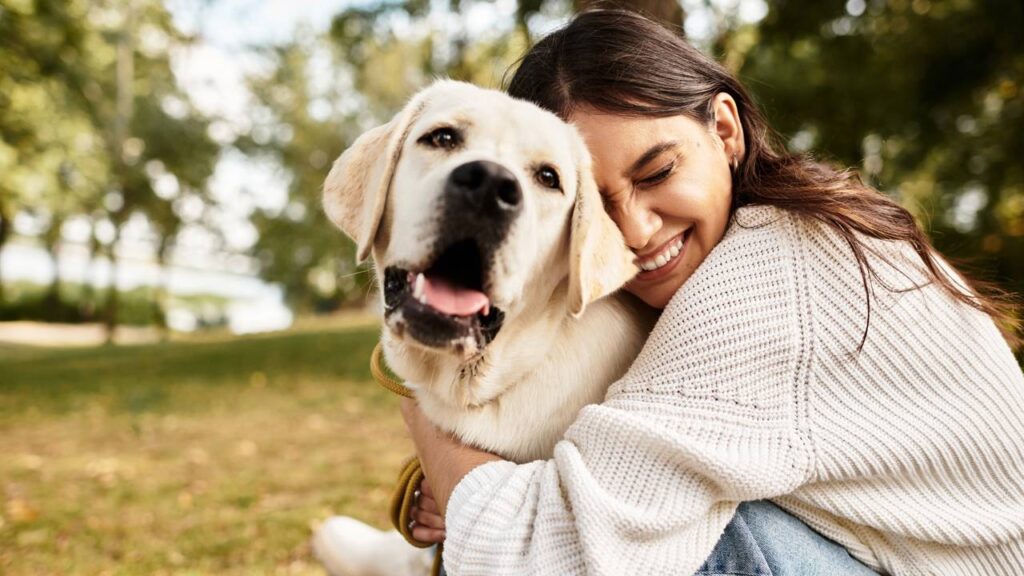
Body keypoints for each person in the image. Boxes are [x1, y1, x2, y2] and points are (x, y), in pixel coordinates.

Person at [396, 8, 1024, 576]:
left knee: (687, 544)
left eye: (658, 172)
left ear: (725, 129)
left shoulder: (758, 287)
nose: (637, 231)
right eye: (597, 209)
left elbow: (547, 556)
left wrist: (436, 437)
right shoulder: (789, 220)